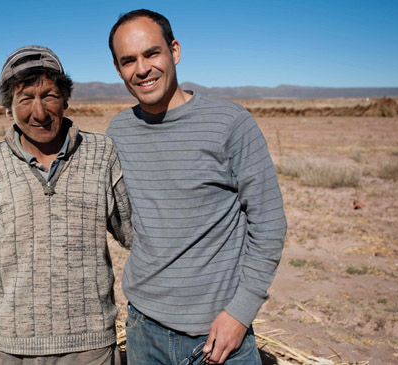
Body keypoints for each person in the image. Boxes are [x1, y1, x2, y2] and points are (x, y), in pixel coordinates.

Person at [106, 9, 287, 364]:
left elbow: (269, 225)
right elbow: (123, 221)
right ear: (118, 69)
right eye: (128, 60)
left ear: (174, 51)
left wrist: (240, 313)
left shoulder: (230, 123)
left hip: (219, 336)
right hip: (144, 330)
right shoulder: (118, 132)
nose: (141, 69)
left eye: (151, 53)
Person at [0, 45, 132, 365]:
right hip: (7, 349)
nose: (39, 112)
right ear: (9, 107)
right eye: (25, 99)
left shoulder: (102, 154)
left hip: (89, 349)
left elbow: (137, 235)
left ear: (65, 99)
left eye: (49, 95)